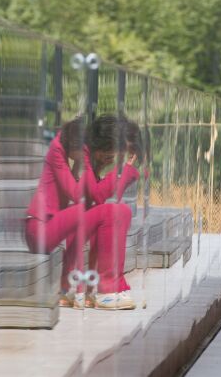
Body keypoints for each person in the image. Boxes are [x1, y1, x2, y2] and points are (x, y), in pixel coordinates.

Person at [25, 114, 139, 310]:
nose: (107, 158)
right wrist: (121, 170)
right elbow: (81, 195)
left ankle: (91, 288)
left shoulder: (78, 153)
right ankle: (103, 290)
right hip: (40, 228)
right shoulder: (58, 151)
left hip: (61, 223)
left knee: (119, 211)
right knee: (105, 211)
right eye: (107, 154)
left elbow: (99, 197)